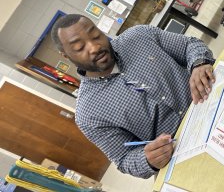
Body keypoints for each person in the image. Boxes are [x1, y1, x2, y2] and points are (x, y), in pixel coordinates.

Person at [50, 14, 215, 178]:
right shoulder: (88, 114)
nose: (94, 47)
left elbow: (189, 45)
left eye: (95, 35)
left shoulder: (139, 36)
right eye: (79, 48)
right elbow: (123, 158)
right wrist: (147, 160)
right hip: (186, 151)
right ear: (66, 55)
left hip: (212, 100)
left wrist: (199, 63)